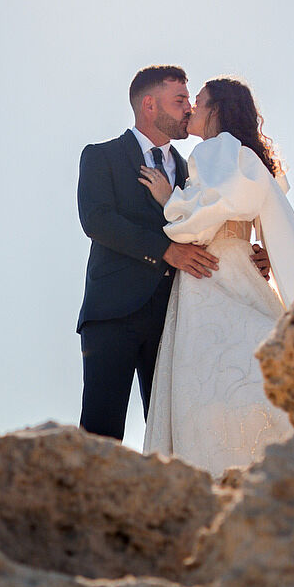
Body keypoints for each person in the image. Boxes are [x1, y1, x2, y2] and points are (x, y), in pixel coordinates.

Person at [140, 76, 294, 474]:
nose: (190, 109)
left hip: (211, 274)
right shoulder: (243, 154)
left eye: (198, 101)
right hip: (243, 270)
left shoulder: (213, 149)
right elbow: (259, 213)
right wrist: (267, 258)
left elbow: (207, 217)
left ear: (217, 109)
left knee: (206, 387)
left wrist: (168, 198)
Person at [75, 66, 209, 440]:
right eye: (179, 100)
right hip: (112, 314)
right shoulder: (101, 156)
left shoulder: (193, 173)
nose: (189, 108)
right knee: (100, 436)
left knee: (171, 434)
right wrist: (165, 250)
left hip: (173, 317)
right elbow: (97, 220)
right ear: (149, 105)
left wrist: (250, 255)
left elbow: (210, 225)